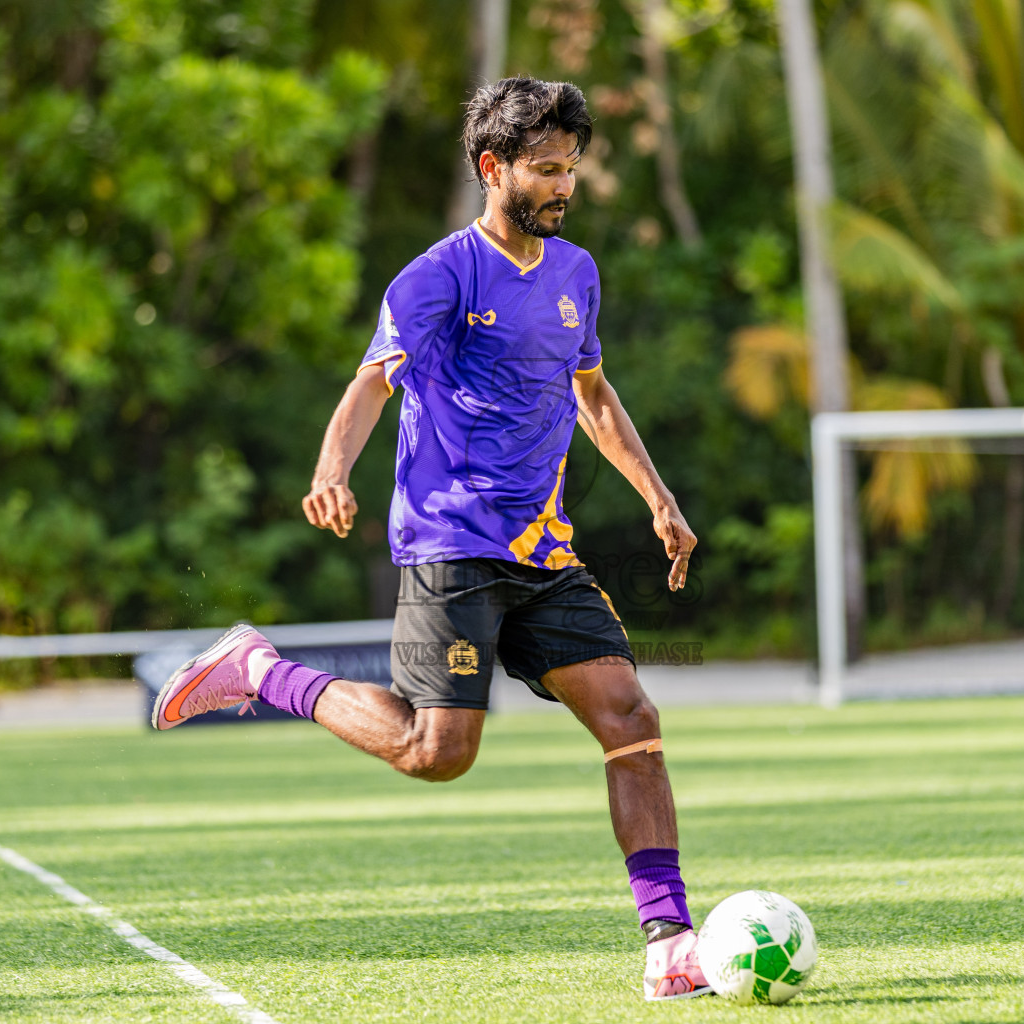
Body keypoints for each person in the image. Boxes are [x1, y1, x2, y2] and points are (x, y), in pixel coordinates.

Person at [151, 76, 706, 1001]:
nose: (564, 186)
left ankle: (670, 943)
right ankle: (258, 672)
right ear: (493, 168)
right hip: (451, 542)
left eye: (572, 167)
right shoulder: (438, 275)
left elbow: (593, 395)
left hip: (544, 552)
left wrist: (658, 495)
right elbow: (373, 383)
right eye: (547, 169)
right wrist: (332, 470)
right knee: (435, 751)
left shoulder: (578, 274)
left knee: (631, 719)